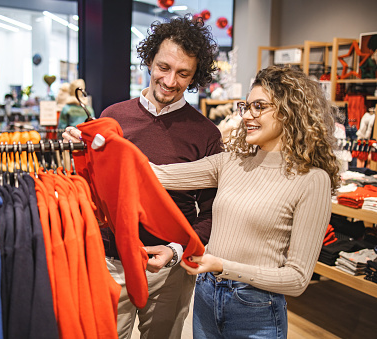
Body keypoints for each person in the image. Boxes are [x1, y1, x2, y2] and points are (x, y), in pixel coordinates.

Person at [150, 65, 341, 338]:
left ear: (289, 111)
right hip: (206, 293)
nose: (247, 116)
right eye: (246, 107)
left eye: (259, 107)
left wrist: (222, 266)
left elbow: (297, 279)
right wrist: (97, 143)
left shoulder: (312, 180)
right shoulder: (231, 162)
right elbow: (158, 174)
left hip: (256, 308)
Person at [63, 15, 222, 338]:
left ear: (194, 77)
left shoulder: (206, 134)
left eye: (183, 73)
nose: (170, 80)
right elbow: (92, 194)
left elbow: (211, 212)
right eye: (164, 67)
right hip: (111, 261)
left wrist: (177, 251)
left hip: (169, 268)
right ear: (149, 61)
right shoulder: (113, 117)